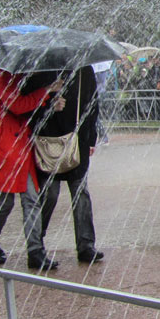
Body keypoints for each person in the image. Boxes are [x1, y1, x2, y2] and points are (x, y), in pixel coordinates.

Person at [0, 70, 65, 270]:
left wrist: (49, 102)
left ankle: (35, 252)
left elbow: (29, 106)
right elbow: (18, 105)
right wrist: (47, 90)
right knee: (5, 201)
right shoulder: (3, 76)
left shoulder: (21, 76)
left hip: (18, 139)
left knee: (30, 197)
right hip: (1, 139)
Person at [28, 67, 104, 264]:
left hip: (76, 141)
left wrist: (90, 138)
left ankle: (86, 244)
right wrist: (49, 104)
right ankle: (36, 243)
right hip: (48, 143)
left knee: (80, 193)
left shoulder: (83, 70)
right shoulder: (42, 68)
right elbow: (30, 107)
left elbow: (92, 104)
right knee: (49, 195)